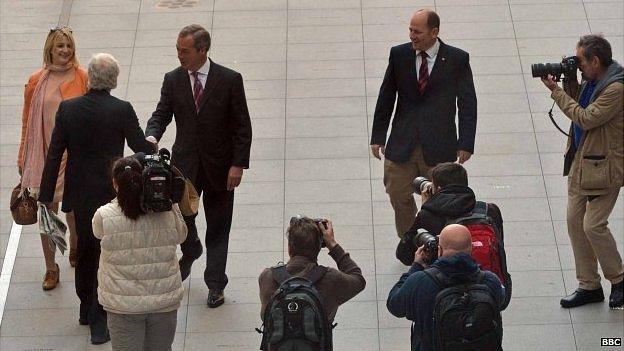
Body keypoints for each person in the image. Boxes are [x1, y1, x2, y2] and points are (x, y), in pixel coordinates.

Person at [39, 53, 155, 344]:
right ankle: (97, 314)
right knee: (105, 252)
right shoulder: (122, 110)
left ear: (89, 78)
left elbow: (54, 155)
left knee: (86, 251)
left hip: (79, 192)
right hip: (109, 190)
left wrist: (45, 194)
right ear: (114, 81)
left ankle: (84, 305)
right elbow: (140, 145)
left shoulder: (68, 110)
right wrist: (148, 150)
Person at [145, 24, 252, 308]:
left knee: (218, 226)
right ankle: (190, 248)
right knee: (182, 220)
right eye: (177, 50)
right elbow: (162, 113)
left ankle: (216, 284)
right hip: (185, 168)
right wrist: (152, 134)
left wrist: (238, 164)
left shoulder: (229, 80)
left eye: (185, 51)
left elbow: (242, 126)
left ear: (202, 50)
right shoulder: (173, 80)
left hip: (220, 169)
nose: (179, 55)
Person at [370, 9, 477, 238]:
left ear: (434, 32)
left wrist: (466, 143)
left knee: (440, 199)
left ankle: (439, 242)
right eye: (410, 30)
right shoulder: (399, 55)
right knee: (398, 193)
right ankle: (413, 242)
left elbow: (467, 103)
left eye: (417, 31)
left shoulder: (457, 59)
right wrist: (378, 136)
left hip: (439, 145)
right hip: (402, 143)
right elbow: (386, 96)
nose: (412, 35)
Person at [541, 34, 623, 309]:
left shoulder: (615, 89)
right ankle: (589, 285)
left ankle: (619, 280)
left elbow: (587, 118)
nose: (579, 66)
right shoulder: (591, 81)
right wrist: (570, 82)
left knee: (593, 225)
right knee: (575, 223)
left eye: (581, 62)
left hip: (606, 167)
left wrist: (557, 92)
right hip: (580, 162)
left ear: (595, 61)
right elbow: (580, 104)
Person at [93, 157, 187, 351]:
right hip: (163, 303)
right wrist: (171, 201)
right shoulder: (166, 213)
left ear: (115, 183)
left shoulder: (104, 215)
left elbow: (97, 233)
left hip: (122, 305)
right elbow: (182, 235)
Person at [18, 26, 84, 290]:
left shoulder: (83, 78)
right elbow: (27, 121)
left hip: (76, 156)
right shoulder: (36, 80)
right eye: (60, 46)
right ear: (50, 50)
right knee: (47, 212)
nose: (65, 51)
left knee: (74, 211)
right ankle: (50, 266)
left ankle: (76, 247)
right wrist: (23, 152)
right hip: (46, 157)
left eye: (68, 46)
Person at [387, 224, 505, 351]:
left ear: (440, 250)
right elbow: (501, 302)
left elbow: (394, 305)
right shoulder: (489, 281)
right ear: (471, 249)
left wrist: (416, 266)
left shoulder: (421, 281)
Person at [258, 216, 366, 349]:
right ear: (318, 248)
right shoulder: (331, 279)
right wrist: (333, 245)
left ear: (289, 248)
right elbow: (358, 279)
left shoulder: (267, 277)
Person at [395, 162, 503, 266]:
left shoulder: (427, 216)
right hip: (489, 278)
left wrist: (426, 207)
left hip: (446, 281)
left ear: (437, 189)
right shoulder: (489, 210)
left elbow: (404, 255)